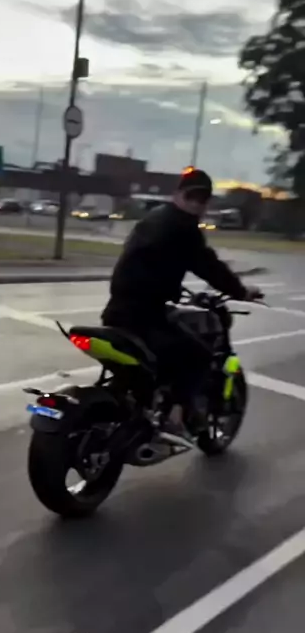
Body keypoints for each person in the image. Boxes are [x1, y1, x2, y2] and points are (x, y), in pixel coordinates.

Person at [101, 166, 263, 443]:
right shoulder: (183, 228)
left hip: (117, 311)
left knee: (163, 351)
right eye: (192, 196)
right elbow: (209, 266)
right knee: (197, 355)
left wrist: (171, 290)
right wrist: (241, 291)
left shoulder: (154, 218)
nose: (196, 203)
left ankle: (144, 405)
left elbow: (151, 262)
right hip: (144, 316)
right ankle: (175, 420)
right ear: (178, 195)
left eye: (202, 198)